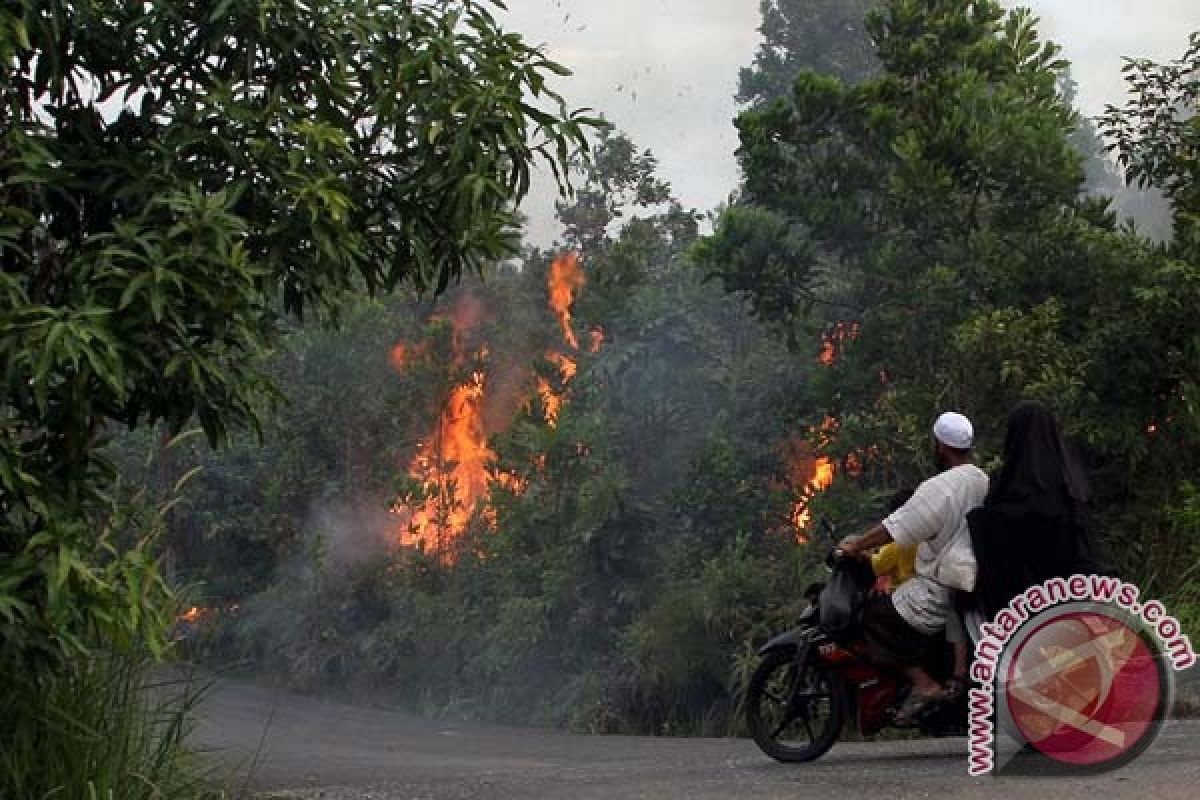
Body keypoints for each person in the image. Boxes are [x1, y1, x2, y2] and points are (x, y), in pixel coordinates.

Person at [837, 412, 988, 723]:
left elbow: (898, 527)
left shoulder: (940, 486)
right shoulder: (982, 480)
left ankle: (924, 684)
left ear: (940, 446)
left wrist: (855, 546)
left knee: (873, 614)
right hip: (969, 584)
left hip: (940, 584)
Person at [967, 400, 1115, 620]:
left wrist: (975, 520)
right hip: (1072, 597)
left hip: (1025, 609)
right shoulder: (1071, 487)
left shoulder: (1007, 488)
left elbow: (999, 546)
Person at [870, 489, 917, 593]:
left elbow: (876, 566)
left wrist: (865, 554)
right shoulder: (936, 529)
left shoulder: (897, 543)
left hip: (908, 599)